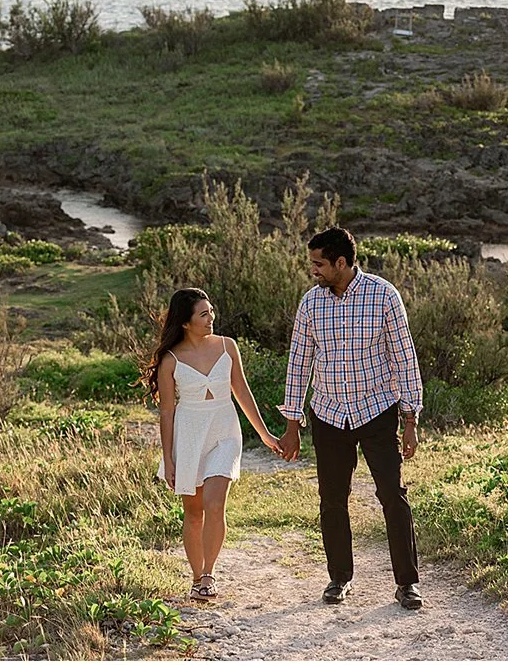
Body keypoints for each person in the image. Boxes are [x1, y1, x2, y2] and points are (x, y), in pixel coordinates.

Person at [277, 226, 427, 610]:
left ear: (340, 262)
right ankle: (339, 578)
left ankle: (407, 584)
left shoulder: (384, 296)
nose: (313, 270)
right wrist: (292, 424)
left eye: (318, 264)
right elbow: (299, 365)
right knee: (332, 500)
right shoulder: (311, 304)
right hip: (328, 415)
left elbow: (404, 358)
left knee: (393, 496)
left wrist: (410, 420)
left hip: (377, 411)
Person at [146, 287, 283, 601]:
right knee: (193, 514)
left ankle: (209, 574)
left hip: (224, 430)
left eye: (211, 312)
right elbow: (166, 412)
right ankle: (196, 578)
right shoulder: (170, 360)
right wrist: (168, 460)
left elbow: (242, 393)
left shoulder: (227, 346)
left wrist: (265, 436)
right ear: (185, 322)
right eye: (203, 314)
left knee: (214, 503)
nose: (211, 319)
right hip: (189, 433)